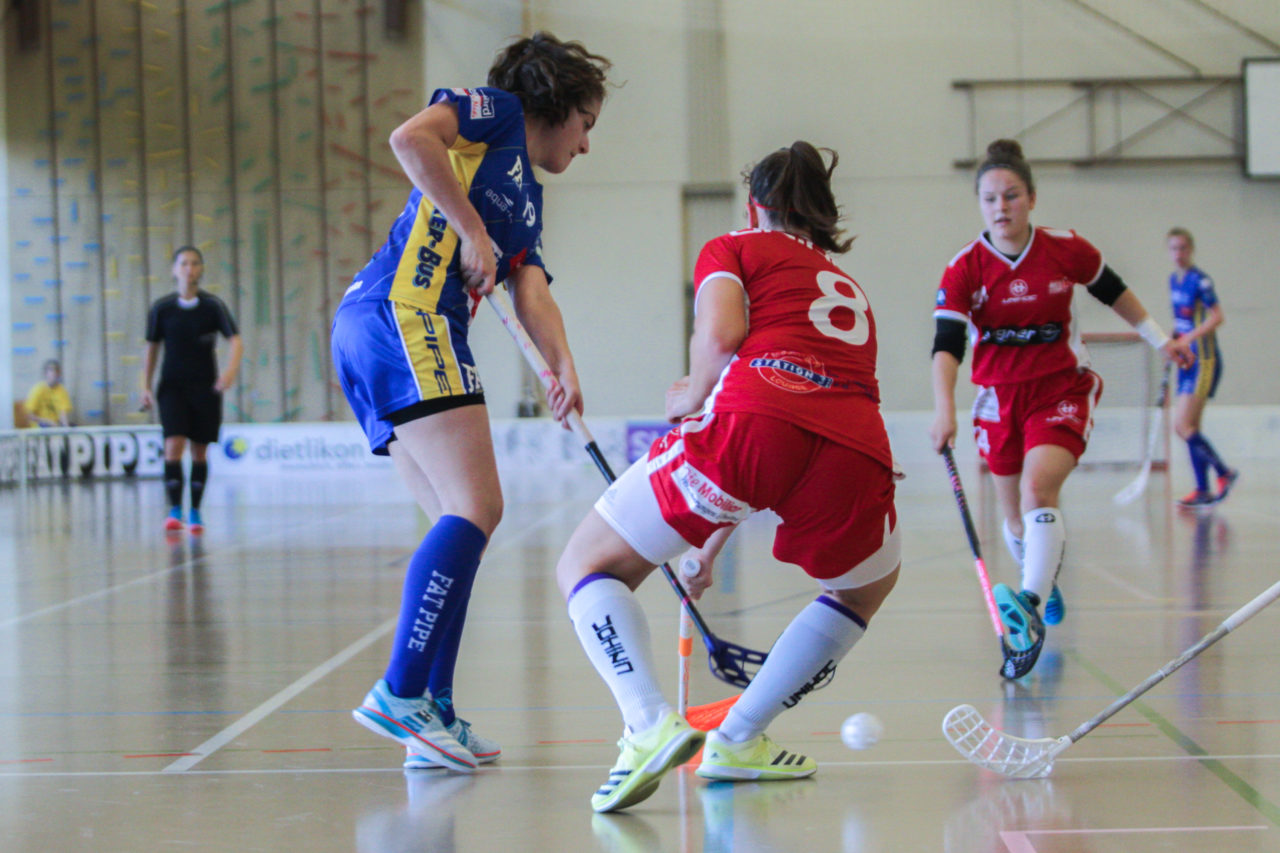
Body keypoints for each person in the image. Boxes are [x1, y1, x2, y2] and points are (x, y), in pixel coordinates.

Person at [556, 142, 901, 812]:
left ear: (753, 206)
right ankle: (739, 738)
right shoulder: (844, 284)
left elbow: (721, 338)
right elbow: (799, 433)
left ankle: (647, 723)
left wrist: (692, 394)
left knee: (585, 564)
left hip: (754, 424)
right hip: (856, 447)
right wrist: (707, 547)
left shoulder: (735, 246)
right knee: (864, 588)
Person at [331, 32, 611, 773]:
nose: (586, 144)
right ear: (557, 103)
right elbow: (410, 139)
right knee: (479, 507)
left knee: (460, 524)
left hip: (380, 327)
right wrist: (471, 226)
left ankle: (433, 710)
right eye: (586, 123)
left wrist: (562, 366)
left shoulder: (529, 197)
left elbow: (531, 290)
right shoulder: (498, 112)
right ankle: (400, 692)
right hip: (404, 313)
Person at [929, 139, 1194, 668]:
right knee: (1015, 520)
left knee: (1038, 489)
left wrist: (1160, 340)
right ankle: (1042, 578)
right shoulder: (965, 269)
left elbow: (1114, 291)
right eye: (989, 199)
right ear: (980, 204)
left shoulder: (1066, 249)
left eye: (1011, 195)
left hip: (1060, 389)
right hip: (999, 399)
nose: (1001, 207)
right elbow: (947, 345)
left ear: (1032, 198)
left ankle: (1029, 600)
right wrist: (944, 408)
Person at [141, 246, 243, 534]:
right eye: (184, 263)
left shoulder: (213, 306)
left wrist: (229, 372)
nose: (189, 268)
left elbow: (235, 341)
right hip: (172, 387)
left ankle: (195, 511)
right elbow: (151, 348)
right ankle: (175, 509)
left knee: (200, 450)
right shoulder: (161, 309)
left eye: (195, 263)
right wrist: (145, 385)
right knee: (173, 444)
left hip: (205, 387)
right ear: (175, 270)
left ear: (201, 269)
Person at [1166, 226, 1237, 508]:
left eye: (1183, 248)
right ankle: (1202, 489)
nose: (1179, 253)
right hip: (1187, 361)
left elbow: (1217, 317)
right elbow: (1181, 321)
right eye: (1174, 248)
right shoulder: (1174, 281)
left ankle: (1224, 472)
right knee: (1189, 426)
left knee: (1183, 425)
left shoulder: (1200, 280)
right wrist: (1173, 341)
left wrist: (1188, 338)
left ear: (1191, 249)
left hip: (1204, 360)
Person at [23, 359, 74, 427]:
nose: (54, 373)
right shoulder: (38, 389)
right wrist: (47, 421)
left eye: (56, 370)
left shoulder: (61, 390)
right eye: (51, 370)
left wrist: (66, 428)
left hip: (56, 425)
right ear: (45, 373)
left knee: (73, 427)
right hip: (41, 426)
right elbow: (29, 415)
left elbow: (63, 413)